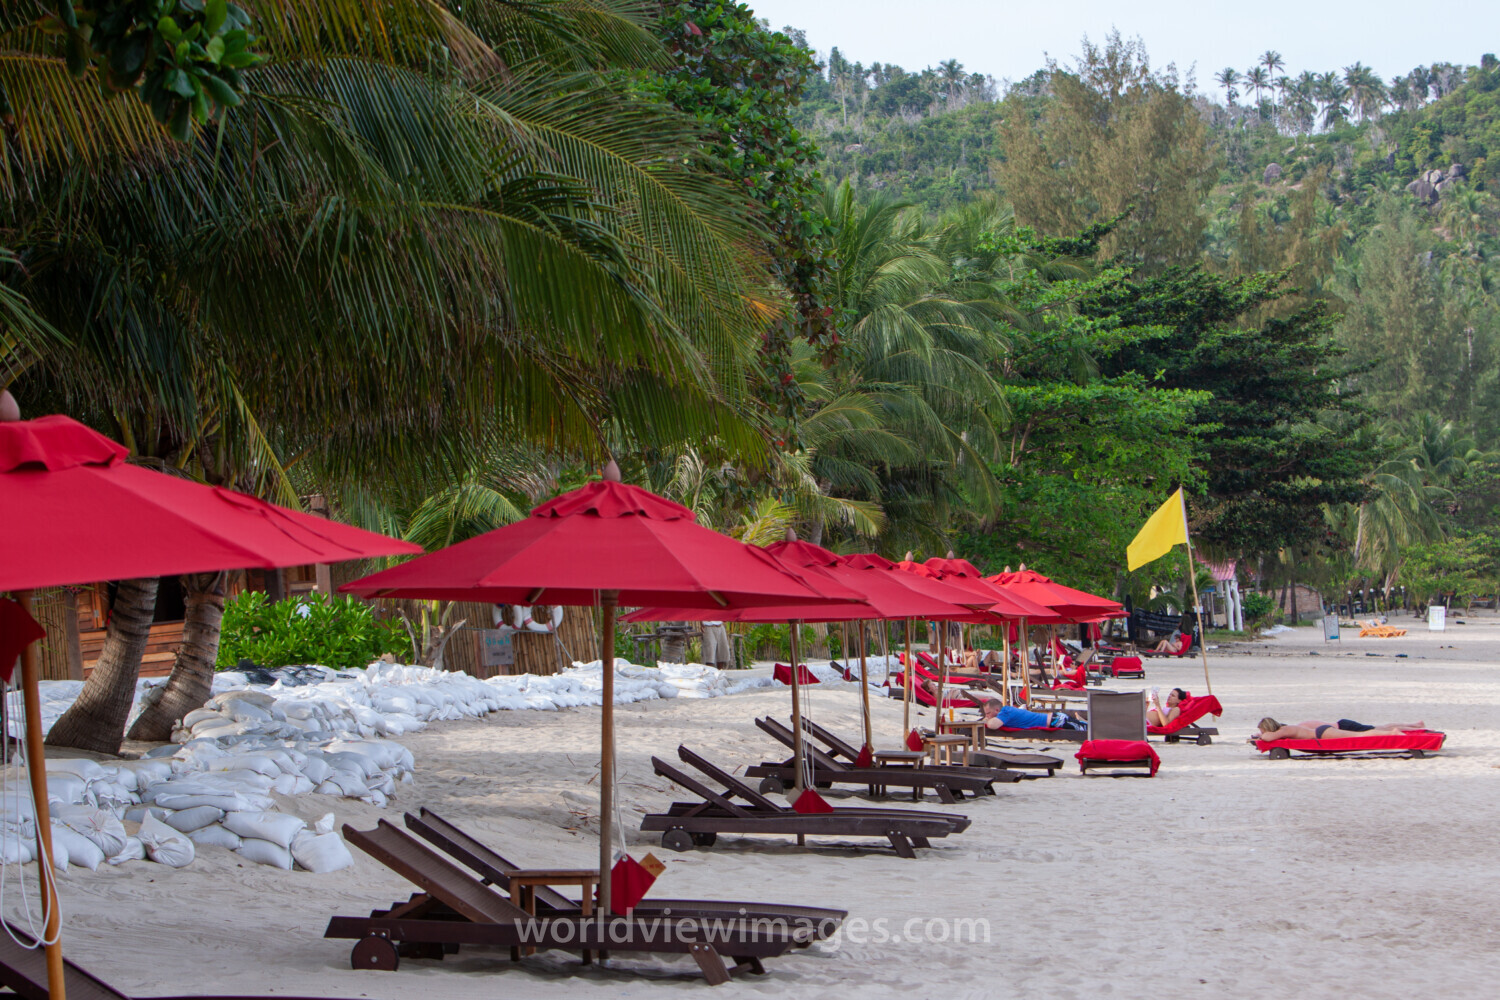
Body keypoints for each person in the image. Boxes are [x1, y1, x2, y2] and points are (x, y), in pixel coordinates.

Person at [1254, 717, 1417, 742]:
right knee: (1360, 734)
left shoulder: (1282, 731)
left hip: (1323, 733)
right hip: (1323, 731)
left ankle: (1392, 733)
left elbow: (1268, 738)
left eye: (1262, 730)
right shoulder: (1284, 728)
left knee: (1360, 736)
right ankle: (1391, 732)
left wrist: (1260, 737)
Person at [980, 698, 1086, 731]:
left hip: (1056, 721)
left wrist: (987, 720)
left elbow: (993, 725)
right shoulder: (1006, 712)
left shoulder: (1005, 712)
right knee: (1085, 726)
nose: (987, 716)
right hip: (1055, 719)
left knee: (1087, 730)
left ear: (997, 710)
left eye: (988, 713)